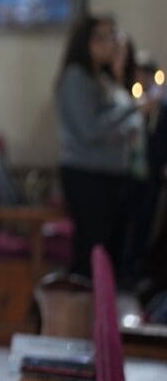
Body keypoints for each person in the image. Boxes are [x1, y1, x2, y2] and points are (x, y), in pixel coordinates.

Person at [55, 14, 152, 277]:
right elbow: (90, 129)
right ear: (85, 41)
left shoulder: (102, 78)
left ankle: (100, 312)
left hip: (107, 175)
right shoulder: (77, 77)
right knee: (90, 253)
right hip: (87, 175)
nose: (110, 43)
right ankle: (80, 314)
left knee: (107, 252)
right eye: (102, 37)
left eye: (112, 36)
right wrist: (132, 114)